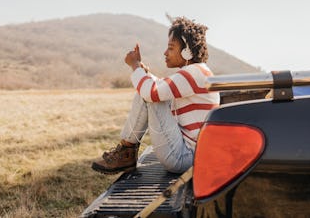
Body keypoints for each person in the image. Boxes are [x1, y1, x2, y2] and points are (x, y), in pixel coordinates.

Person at [91, 17, 220, 174]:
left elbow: (152, 93)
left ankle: (126, 152)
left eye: (171, 48)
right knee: (149, 92)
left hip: (184, 158)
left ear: (187, 52)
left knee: (148, 95)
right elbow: (161, 87)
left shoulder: (192, 74)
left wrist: (134, 66)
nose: (165, 53)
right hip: (192, 156)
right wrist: (144, 73)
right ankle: (126, 152)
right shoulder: (198, 72)